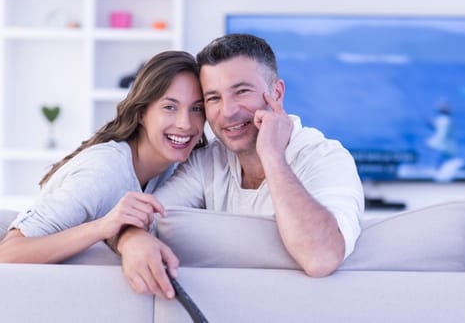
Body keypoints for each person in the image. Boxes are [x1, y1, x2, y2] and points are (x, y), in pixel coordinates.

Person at [115, 33, 364, 299]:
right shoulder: (209, 160)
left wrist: (271, 156)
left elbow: (320, 258)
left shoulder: (325, 157)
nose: (228, 111)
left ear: (276, 93)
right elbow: (148, 216)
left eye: (242, 91)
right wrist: (132, 239)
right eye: (213, 98)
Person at [0, 51, 206, 264]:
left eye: (197, 108)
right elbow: (7, 255)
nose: (186, 123)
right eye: (170, 107)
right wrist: (102, 227)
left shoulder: (176, 171)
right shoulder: (103, 171)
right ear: (141, 113)